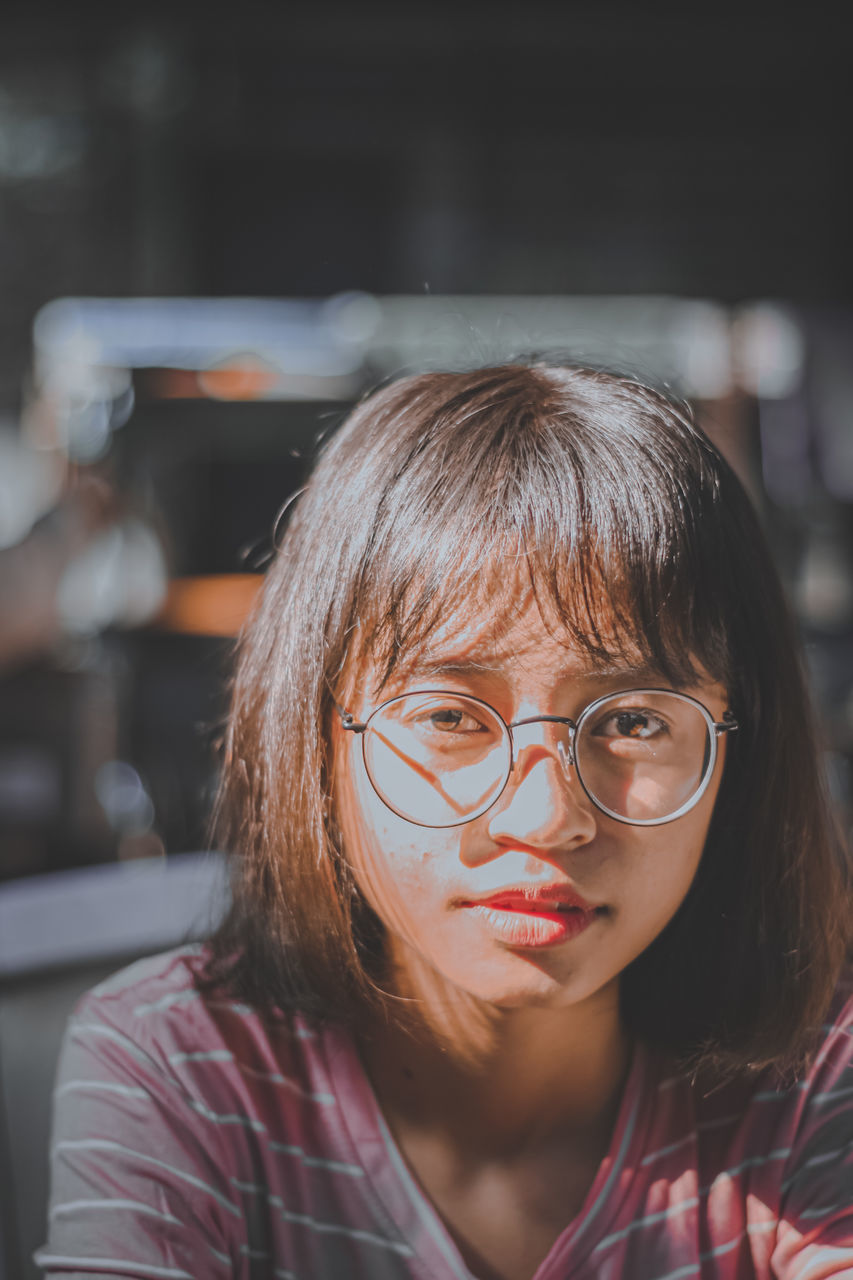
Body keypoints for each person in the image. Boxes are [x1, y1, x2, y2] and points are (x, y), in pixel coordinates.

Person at [37, 364, 853, 1279]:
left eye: (630, 722)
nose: (545, 820)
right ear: (315, 734)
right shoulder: (180, 1065)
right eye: (450, 718)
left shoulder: (814, 1074)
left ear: (740, 753)